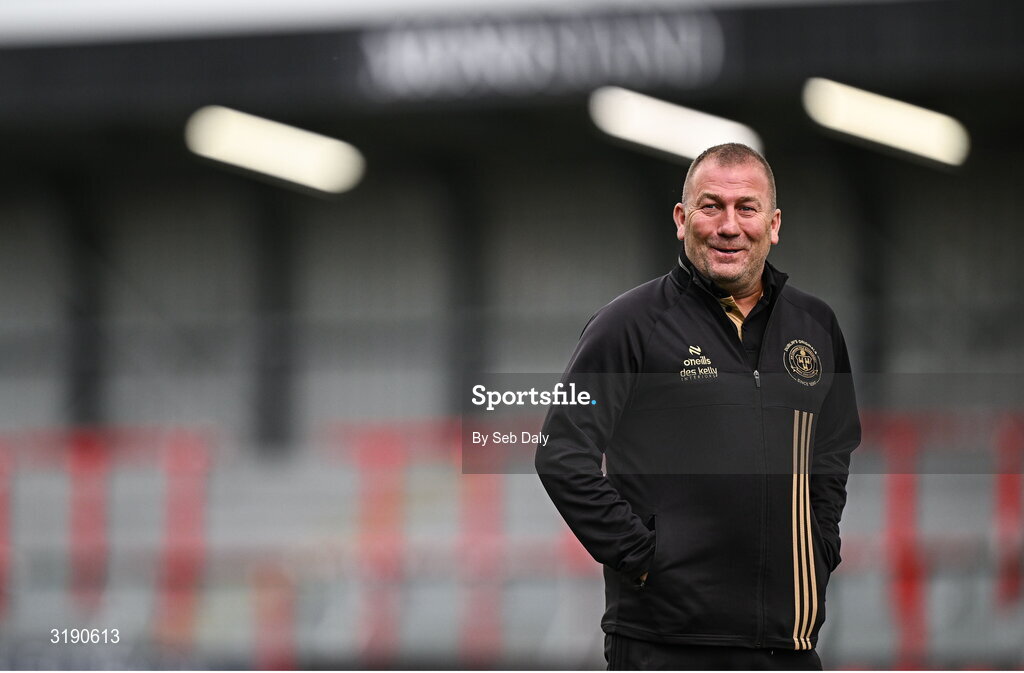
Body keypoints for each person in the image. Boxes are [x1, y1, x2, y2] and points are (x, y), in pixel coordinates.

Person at [535, 143, 860, 670]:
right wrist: (644, 560)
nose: (729, 225)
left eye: (746, 208)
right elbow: (561, 453)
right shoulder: (628, 326)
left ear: (773, 224)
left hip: (787, 646)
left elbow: (833, 450)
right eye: (711, 206)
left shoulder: (816, 327)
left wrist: (819, 551)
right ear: (682, 219)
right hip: (665, 643)